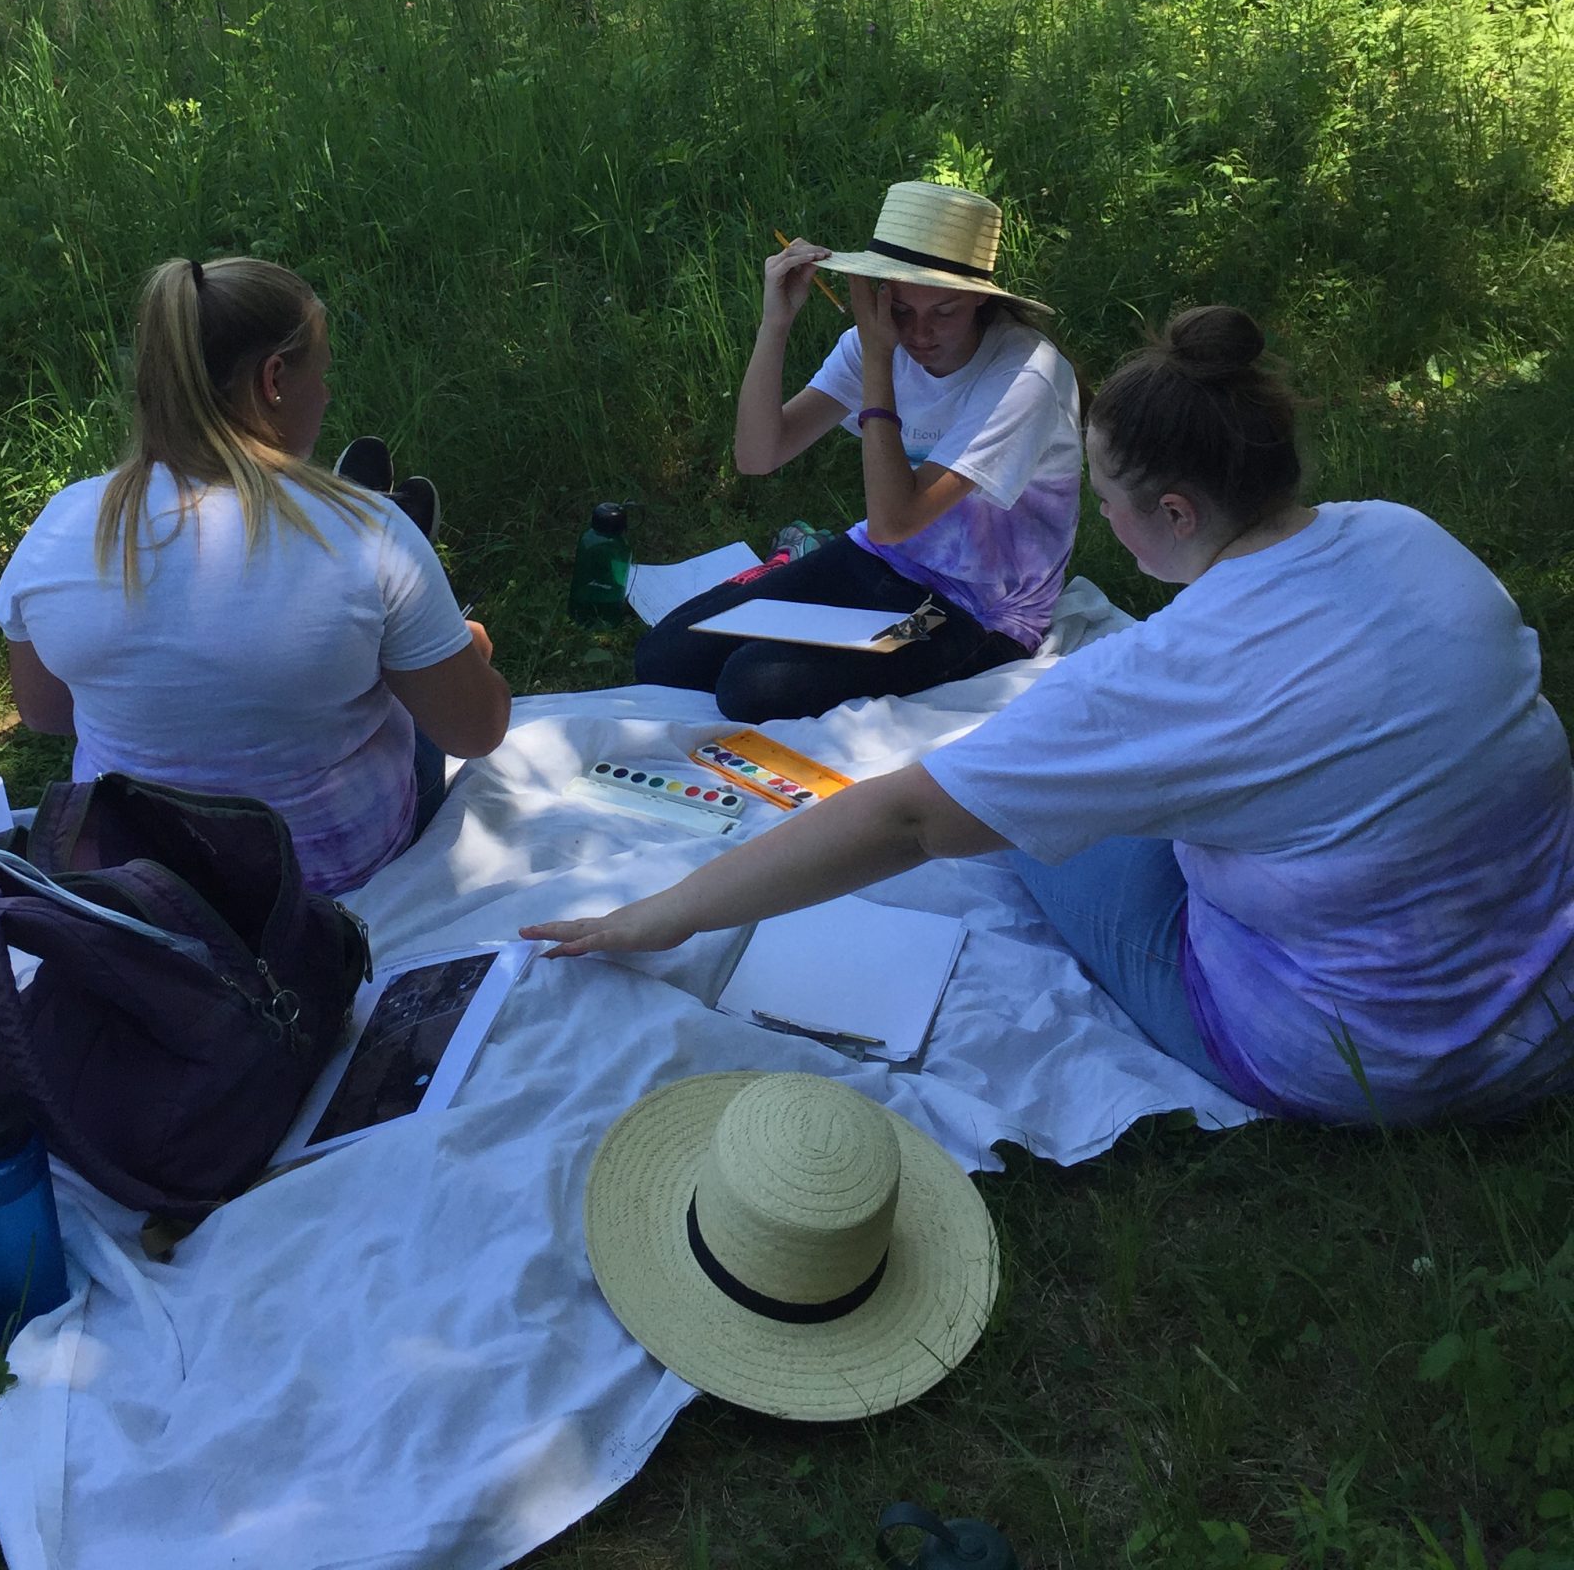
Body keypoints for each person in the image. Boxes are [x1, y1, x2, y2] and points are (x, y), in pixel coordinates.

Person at [530, 307, 1574, 1125]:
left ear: (1176, 511)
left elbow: (907, 820)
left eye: (1107, 501)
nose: (1102, 524)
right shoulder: (1411, 535)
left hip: (1365, 1057)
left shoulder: (1164, 674)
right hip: (1540, 1010)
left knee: (1032, 830)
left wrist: (666, 914)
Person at [0, 257, 509, 898]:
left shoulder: (64, 524)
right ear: (274, 379)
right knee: (402, 682)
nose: (328, 393)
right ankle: (354, 552)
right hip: (328, 880)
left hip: (140, 882)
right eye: (322, 372)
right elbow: (477, 731)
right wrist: (468, 656)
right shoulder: (373, 538)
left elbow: (45, 712)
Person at [633, 181, 1081, 722]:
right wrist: (776, 322)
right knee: (664, 655)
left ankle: (800, 588)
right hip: (878, 558)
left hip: (976, 608)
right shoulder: (875, 341)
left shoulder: (1025, 375)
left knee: (753, 685)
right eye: (902, 309)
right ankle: (798, 568)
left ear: (982, 297)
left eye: (944, 311)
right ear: (880, 293)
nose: (919, 333)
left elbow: (896, 521)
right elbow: (758, 455)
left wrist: (877, 360)